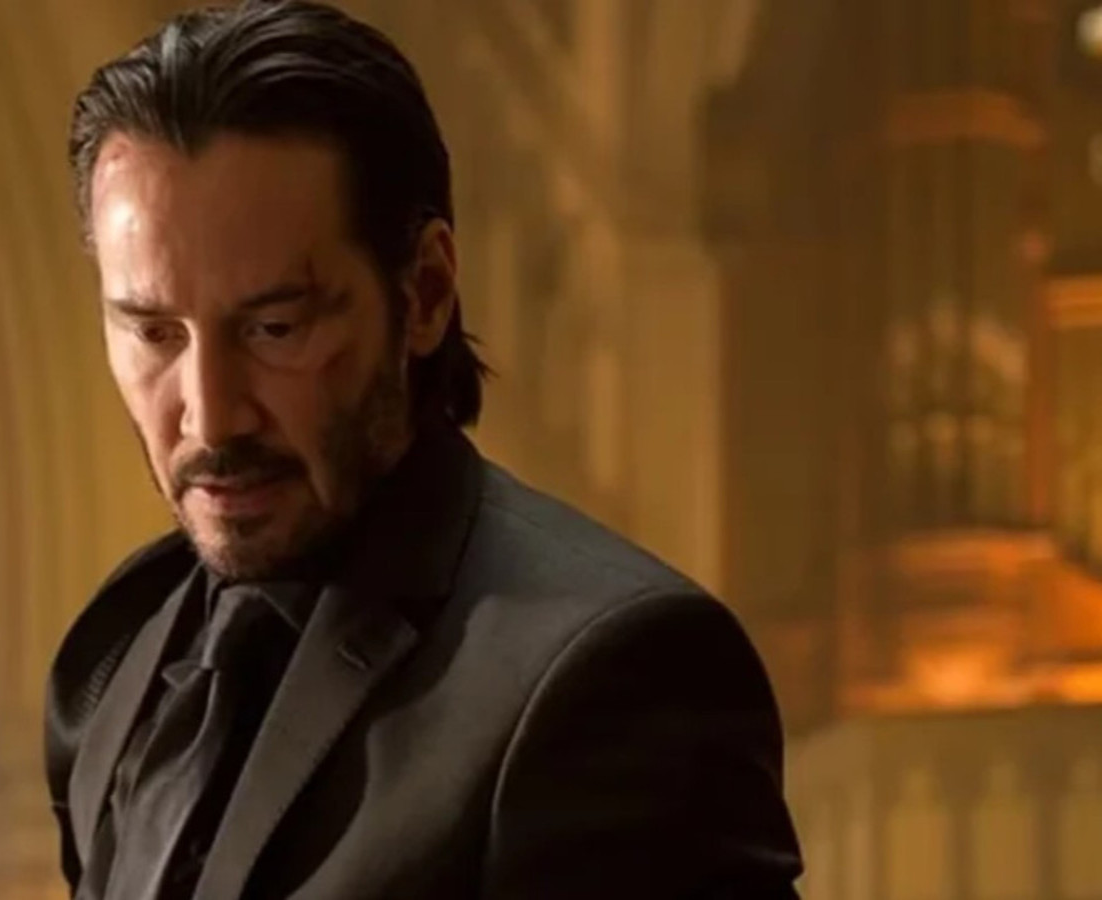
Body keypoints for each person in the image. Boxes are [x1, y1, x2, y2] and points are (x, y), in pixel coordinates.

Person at [44, 1, 804, 897]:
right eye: (154, 334)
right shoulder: (118, 647)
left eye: (276, 328)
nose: (210, 419)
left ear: (428, 292)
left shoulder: (619, 678)